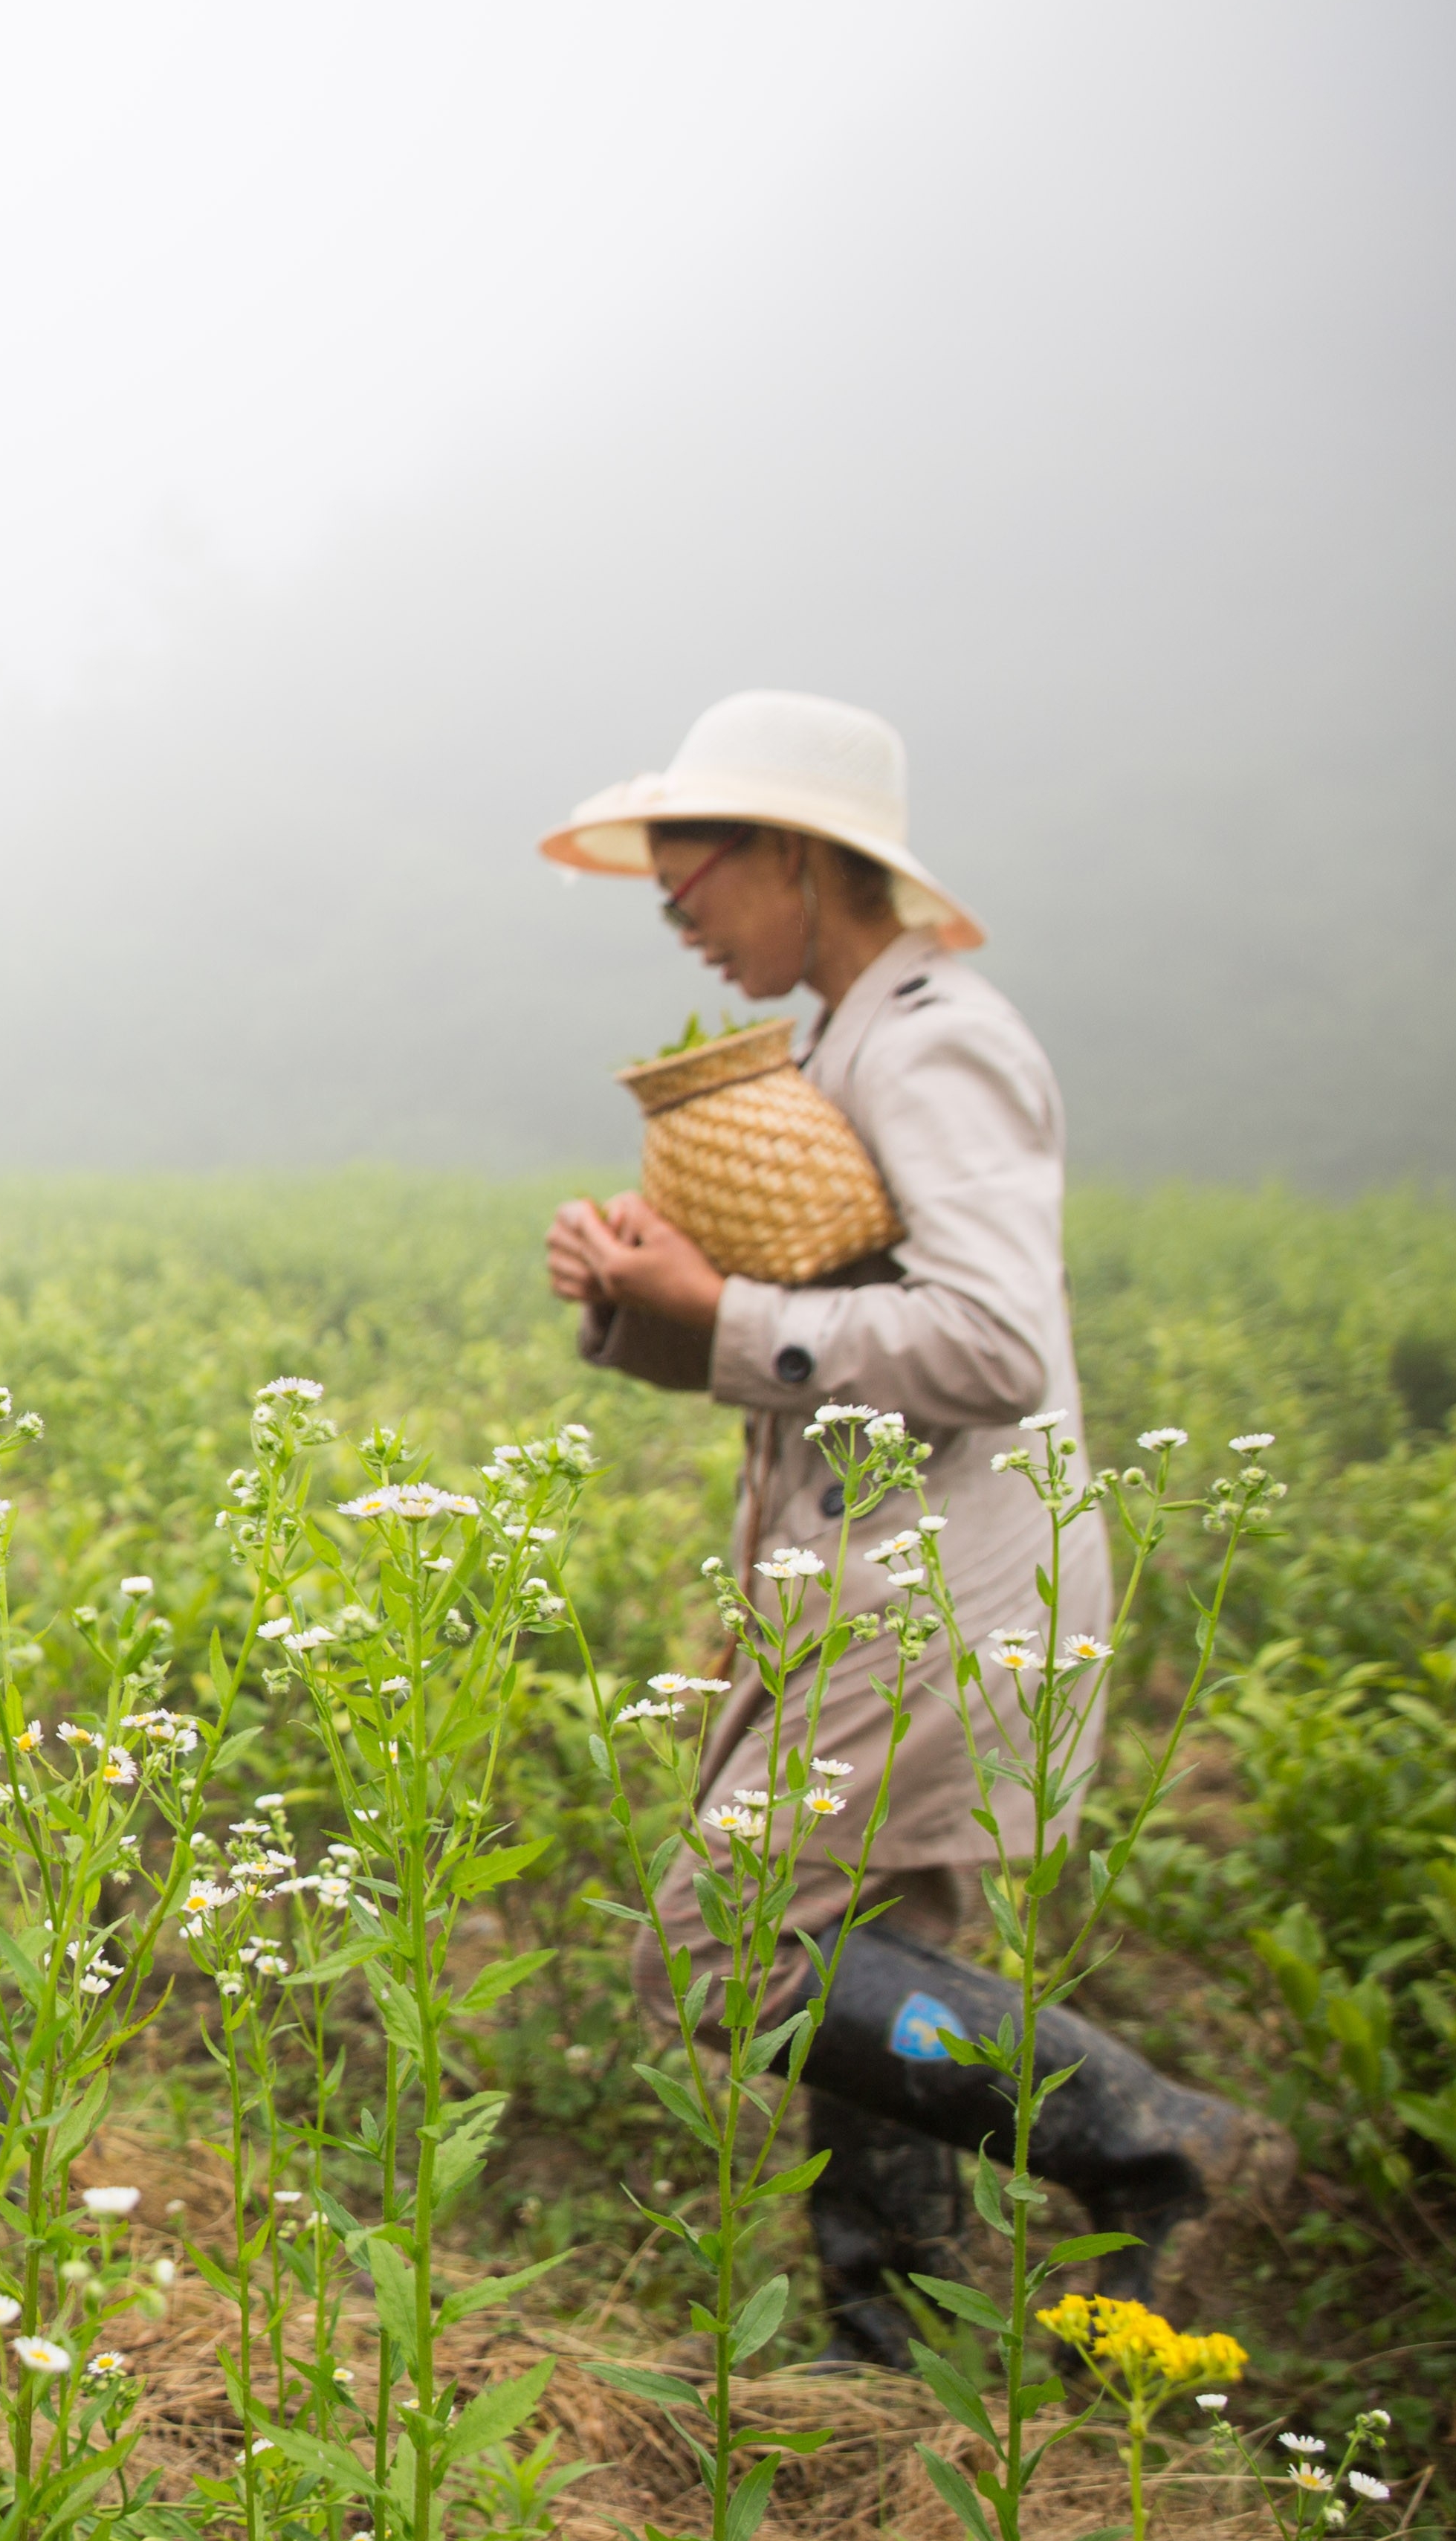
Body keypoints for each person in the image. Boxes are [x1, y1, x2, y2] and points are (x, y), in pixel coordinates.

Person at [537, 691, 1269, 2367]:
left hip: (945, 1566)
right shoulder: (841, 1044)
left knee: (728, 1950)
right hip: (887, 1558)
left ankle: (1160, 2147)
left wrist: (723, 1308)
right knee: (880, 1954)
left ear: (798, 854)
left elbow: (991, 1345)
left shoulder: (938, 1038)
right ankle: (902, 2358)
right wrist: (643, 1300)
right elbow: (797, 1337)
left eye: (690, 875)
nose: (676, 915)